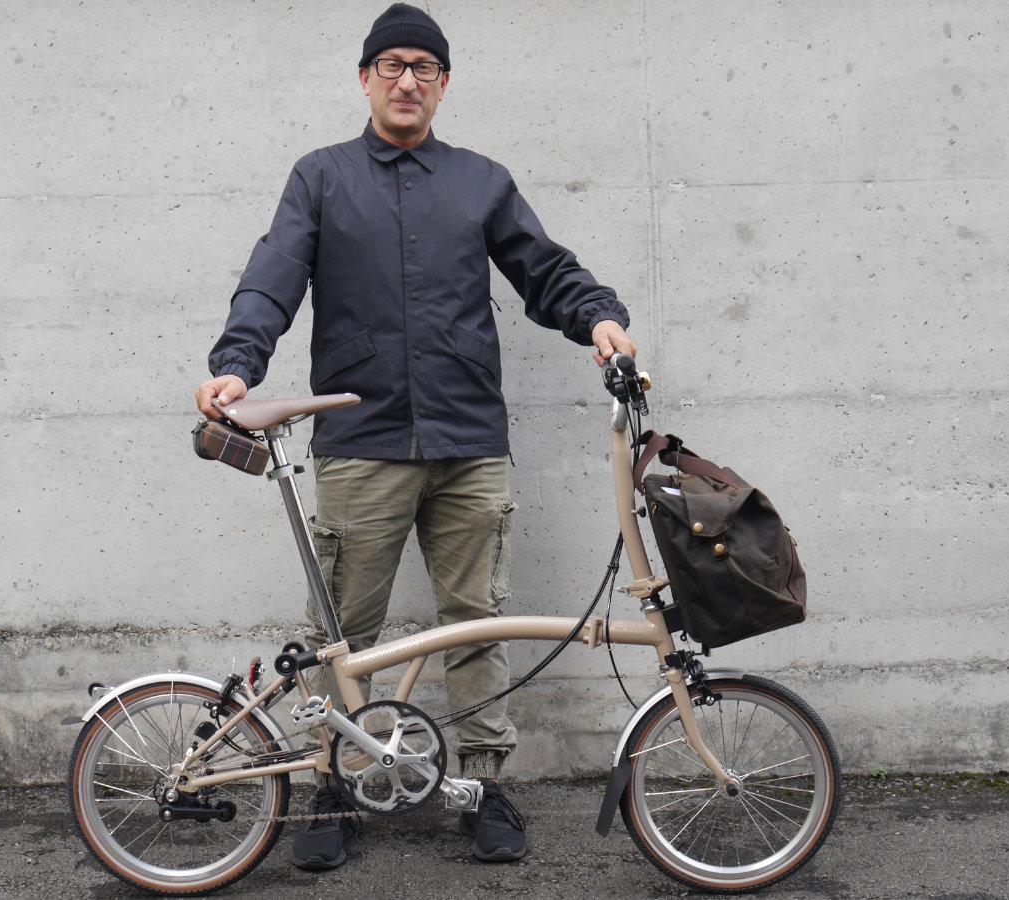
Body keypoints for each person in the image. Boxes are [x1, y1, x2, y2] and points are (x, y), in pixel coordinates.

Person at [195, 2, 636, 870]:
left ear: (443, 84)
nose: (407, 80)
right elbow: (272, 277)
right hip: (360, 442)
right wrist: (237, 364)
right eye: (391, 65)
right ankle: (336, 785)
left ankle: (480, 784)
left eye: (423, 67)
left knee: (475, 623)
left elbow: (543, 269)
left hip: (469, 440)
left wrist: (598, 317)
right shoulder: (320, 178)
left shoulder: (480, 181)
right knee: (344, 630)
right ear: (365, 79)